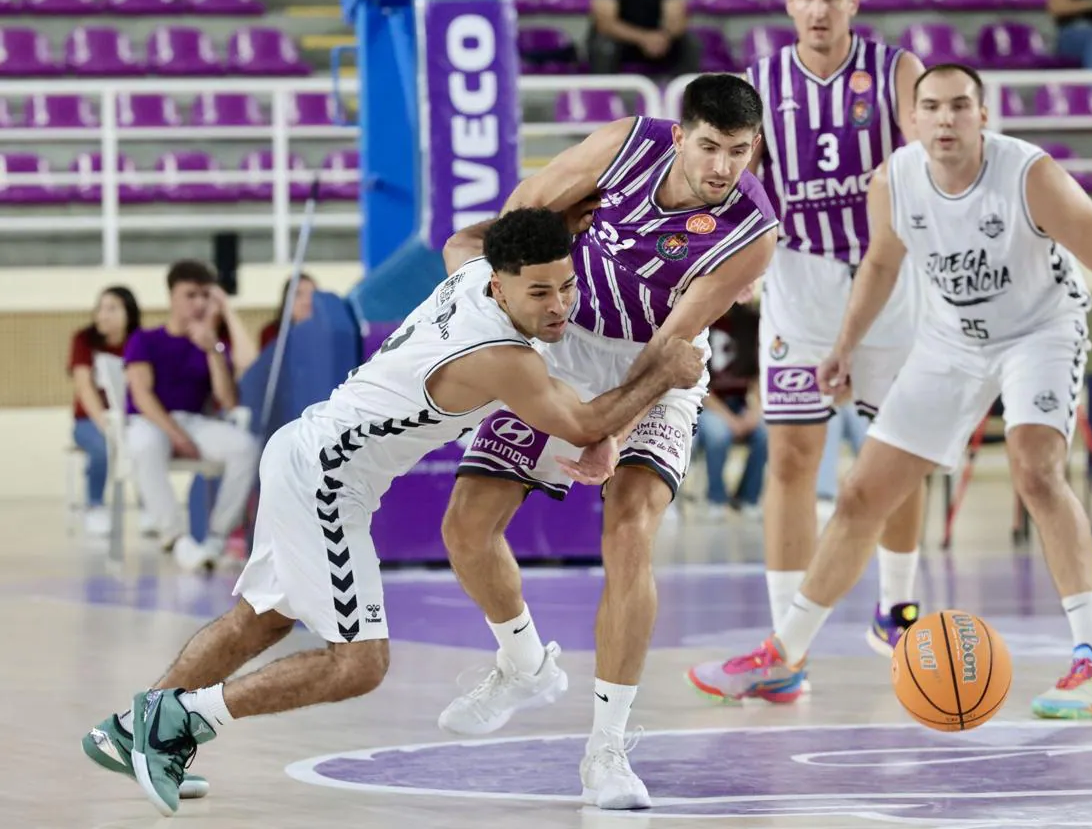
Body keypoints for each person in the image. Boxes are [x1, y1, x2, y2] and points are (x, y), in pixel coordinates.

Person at [80, 208, 705, 818]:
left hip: (303, 453)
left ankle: (127, 731)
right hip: (325, 481)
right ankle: (179, 720)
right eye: (538, 291)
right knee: (359, 663)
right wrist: (667, 372)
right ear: (501, 284)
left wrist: (560, 218)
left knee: (259, 621)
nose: (558, 305)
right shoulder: (498, 354)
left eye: (566, 286)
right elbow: (585, 418)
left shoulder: (468, 273)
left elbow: (461, 238)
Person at [716, 63, 1092, 721]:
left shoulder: (1029, 175)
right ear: (911, 120)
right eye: (931, 106)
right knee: (860, 492)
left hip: (1039, 331)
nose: (946, 118)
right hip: (953, 339)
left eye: (961, 106)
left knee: (1036, 469)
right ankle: (782, 658)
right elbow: (879, 262)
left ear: (983, 115)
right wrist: (844, 347)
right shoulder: (894, 179)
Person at [435, 74, 779, 810]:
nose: (723, 167)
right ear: (681, 135)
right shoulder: (626, 144)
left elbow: (674, 339)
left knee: (629, 531)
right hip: (562, 341)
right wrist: (504, 283)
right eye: (711, 147)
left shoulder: (753, 233)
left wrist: (612, 432)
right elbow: (525, 206)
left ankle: (608, 750)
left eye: (740, 152)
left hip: (656, 365)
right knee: (465, 526)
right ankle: (524, 663)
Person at [686, 0, 927, 705]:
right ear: (788, 3)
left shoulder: (896, 71)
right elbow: (732, 185)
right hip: (799, 281)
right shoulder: (760, 85)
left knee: (897, 452)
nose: (817, 8)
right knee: (792, 456)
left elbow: (926, 169)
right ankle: (787, 644)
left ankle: (897, 608)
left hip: (888, 281)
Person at [123, 260, 260, 572]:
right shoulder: (145, 339)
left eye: (203, 296)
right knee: (144, 444)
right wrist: (176, 435)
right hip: (151, 422)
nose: (198, 303)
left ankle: (217, 536)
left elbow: (227, 400)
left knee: (245, 447)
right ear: (172, 296)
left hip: (196, 422)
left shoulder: (211, 344)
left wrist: (213, 350)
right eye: (190, 295)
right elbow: (142, 396)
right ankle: (175, 537)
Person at [68, 285, 141, 536]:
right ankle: (95, 506)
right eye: (100, 308)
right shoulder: (83, 340)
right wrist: (108, 426)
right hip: (89, 420)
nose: (103, 315)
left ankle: (149, 507)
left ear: (128, 313)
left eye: (111, 308)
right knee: (101, 447)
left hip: (130, 417)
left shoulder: (140, 341)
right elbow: (84, 387)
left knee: (146, 442)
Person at [694, 301, 767, 519]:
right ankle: (716, 499)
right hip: (708, 403)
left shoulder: (751, 322)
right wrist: (729, 419)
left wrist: (754, 412)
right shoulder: (699, 322)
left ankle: (748, 498)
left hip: (744, 402)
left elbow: (758, 375)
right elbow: (698, 385)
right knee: (718, 434)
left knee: (767, 434)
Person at [260, 273, 317, 350]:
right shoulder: (271, 332)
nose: (307, 301)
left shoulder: (328, 333)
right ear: (286, 300)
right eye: (298, 294)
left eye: (312, 294)